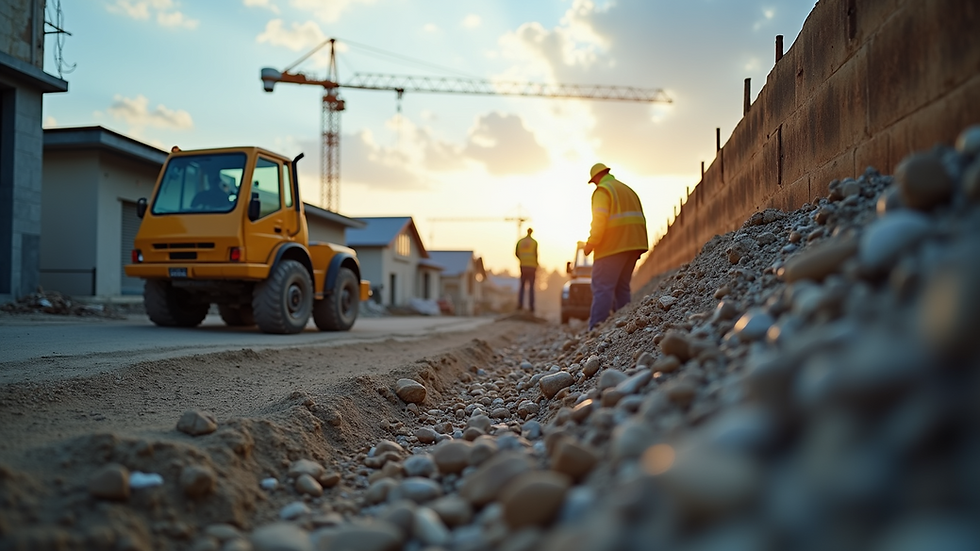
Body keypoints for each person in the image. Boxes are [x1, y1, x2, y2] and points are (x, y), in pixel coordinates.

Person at [582, 162, 648, 330]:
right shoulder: (626, 189)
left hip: (612, 247)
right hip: (635, 244)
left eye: (594, 181)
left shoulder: (603, 191)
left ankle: (595, 330)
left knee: (602, 287)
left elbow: (599, 220)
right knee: (621, 288)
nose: (595, 185)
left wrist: (591, 243)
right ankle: (624, 328)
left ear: (597, 177)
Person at [515, 227, 538, 312]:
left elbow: (516, 253)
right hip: (532, 267)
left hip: (523, 266)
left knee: (522, 286)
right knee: (531, 287)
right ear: (531, 232)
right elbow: (536, 254)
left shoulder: (520, 242)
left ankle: (520, 305)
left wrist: (522, 259)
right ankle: (531, 307)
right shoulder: (534, 242)